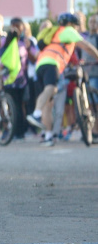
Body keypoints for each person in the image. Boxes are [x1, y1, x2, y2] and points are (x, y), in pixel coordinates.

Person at [26, 12, 98, 146]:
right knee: (51, 89)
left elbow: (37, 53)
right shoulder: (68, 30)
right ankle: (36, 113)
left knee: (49, 103)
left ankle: (48, 136)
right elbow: (86, 46)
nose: (76, 29)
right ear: (71, 24)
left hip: (40, 65)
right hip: (52, 63)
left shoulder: (53, 33)